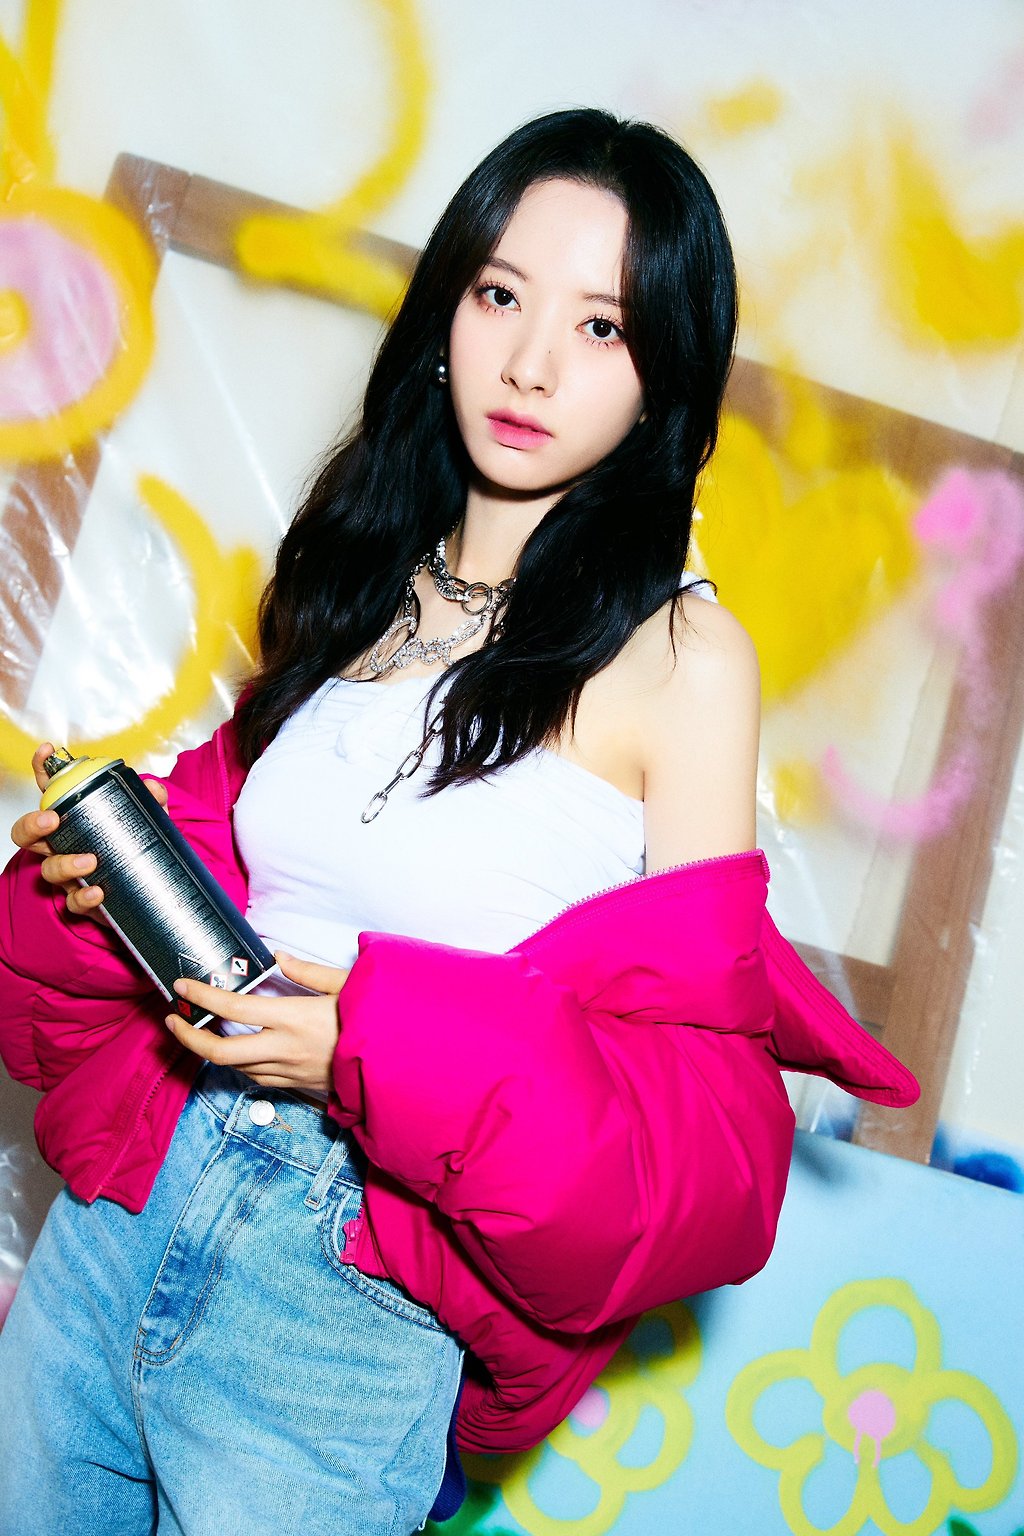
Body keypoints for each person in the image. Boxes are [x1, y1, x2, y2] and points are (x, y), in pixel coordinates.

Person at [0, 108, 917, 1535]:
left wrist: (364, 1051)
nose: (534, 362)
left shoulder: (684, 660)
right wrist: (102, 883)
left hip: (341, 1302)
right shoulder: (360, 576)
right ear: (446, 313)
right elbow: (246, 890)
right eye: (500, 295)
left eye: (603, 327)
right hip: (125, 1219)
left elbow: (702, 1127)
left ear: (663, 381)